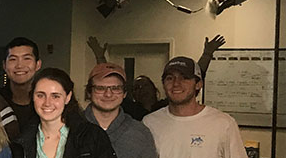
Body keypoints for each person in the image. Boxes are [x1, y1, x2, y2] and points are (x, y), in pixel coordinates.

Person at [87, 35, 226, 118]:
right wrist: (99, 56)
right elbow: (107, 80)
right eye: (137, 87)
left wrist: (207, 54)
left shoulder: (167, 106)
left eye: (144, 85)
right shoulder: (130, 110)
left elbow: (195, 78)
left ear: (154, 88)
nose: (141, 89)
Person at [0, 37, 42, 130]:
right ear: (4, 66)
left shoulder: (47, 102)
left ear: (38, 65)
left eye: (26, 58)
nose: (19, 65)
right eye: (13, 59)